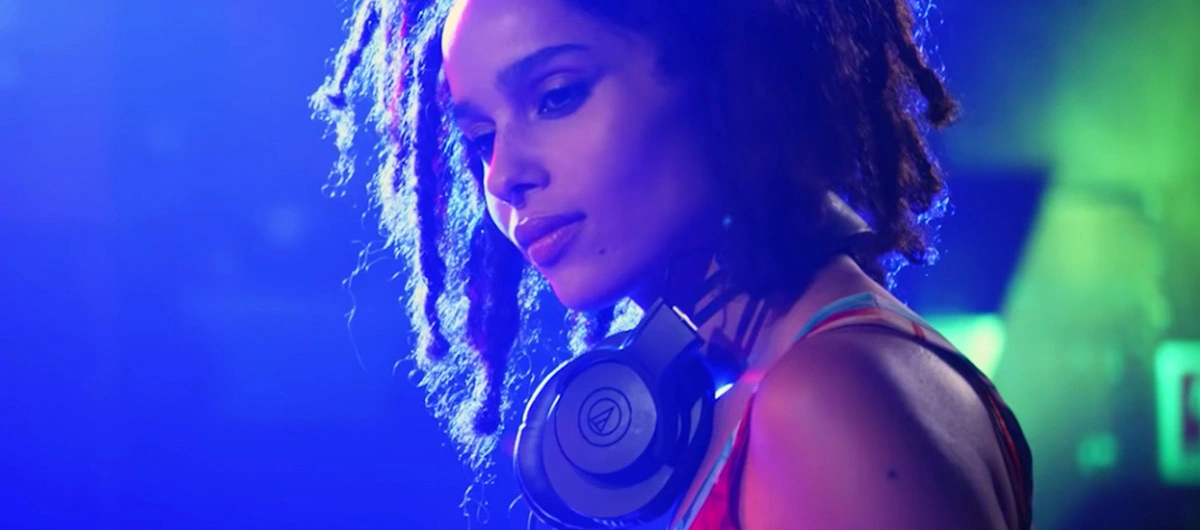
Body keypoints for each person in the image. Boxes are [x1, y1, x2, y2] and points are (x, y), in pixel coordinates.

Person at [311, 0, 1034, 528]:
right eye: (480, 139)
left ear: (728, 75)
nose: (503, 176)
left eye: (556, 96)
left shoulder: (825, 400)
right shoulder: (806, 373)